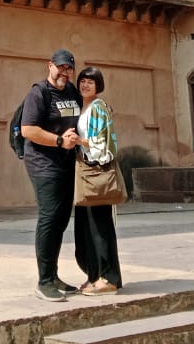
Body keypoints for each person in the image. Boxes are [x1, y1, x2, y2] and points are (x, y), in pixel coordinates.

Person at [20, 48, 83, 301]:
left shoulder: (71, 92)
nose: (65, 72)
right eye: (61, 67)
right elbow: (28, 130)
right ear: (50, 66)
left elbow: (79, 119)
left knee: (60, 220)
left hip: (67, 163)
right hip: (43, 164)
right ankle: (43, 281)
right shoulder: (39, 93)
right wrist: (59, 141)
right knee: (49, 217)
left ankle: (53, 276)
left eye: (69, 68)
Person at [73, 65, 123, 295]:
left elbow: (102, 143)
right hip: (85, 173)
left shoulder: (99, 108)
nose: (85, 84)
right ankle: (94, 275)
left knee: (100, 227)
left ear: (98, 86)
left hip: (97, 173)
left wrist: (79, 141)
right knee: (86, 228)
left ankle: (109, 277)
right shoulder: (84, 109)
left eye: (90, 82)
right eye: (83, 80)